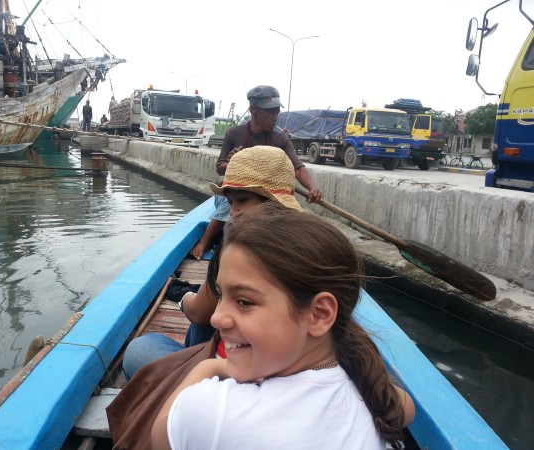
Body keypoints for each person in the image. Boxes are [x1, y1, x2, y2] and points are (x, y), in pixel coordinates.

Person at [151, 203, 415, 449]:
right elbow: (406, 406)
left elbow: (161, 433)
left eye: (244, 301)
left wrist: (210, 366)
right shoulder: (379, 397)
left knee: (142, 351)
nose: (216, 318)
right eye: (221, 295)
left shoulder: (213, 412)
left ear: (320, 315)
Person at [121, 146, 303, 380]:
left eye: (242, 201)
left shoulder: (238, 248)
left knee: (140, 349)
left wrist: (184, 299)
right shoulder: (301, 247)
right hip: (255, 369)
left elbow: (200, 315)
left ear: (272, 202)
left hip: (236, 377)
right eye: (231, 203)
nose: (233, 214)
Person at [189, 84, 322, 261]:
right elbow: (220, 166)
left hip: (265, 195)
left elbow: (297, 168)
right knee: (231, 205)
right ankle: (205, 242)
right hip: (232, 191)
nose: (275, 118)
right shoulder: (234, 133)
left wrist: (312, 187)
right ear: (253, 110)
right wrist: (234, 162)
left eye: (277, 112)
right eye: (270, 113)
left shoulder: (281, 139)